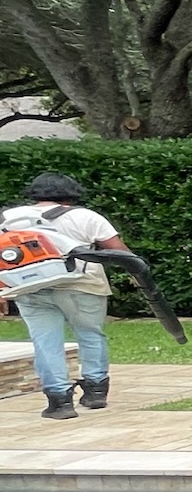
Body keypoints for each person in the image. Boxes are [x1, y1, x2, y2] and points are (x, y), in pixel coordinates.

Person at [1, 173, 129, 420]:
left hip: (30, 286)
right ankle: (95, 391)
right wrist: (137, 273)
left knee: (45, 342)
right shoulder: (86, 216)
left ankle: (59, 401)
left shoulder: (8, 218)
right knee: (90, 335)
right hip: (83, 284)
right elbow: (117, 250)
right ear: (71, 193)